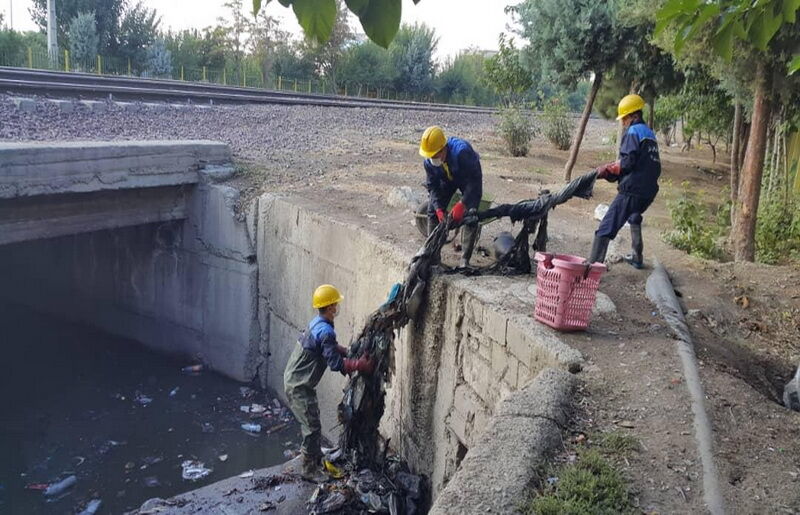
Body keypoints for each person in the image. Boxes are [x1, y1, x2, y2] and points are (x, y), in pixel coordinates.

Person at [283, 284, 374, 481]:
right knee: (312, 427)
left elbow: (330, 349)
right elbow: (335, 364)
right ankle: (308, 469)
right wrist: (360, 365)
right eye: (335, 304)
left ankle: (315, 458)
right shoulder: (325, 331)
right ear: (330, 307)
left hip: (299, 382)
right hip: (299, 386)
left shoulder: (318, 323)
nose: (337, 307)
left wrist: (348, 351)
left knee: (313, 419)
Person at [589, 94, 661, 269]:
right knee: (634, 216)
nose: (623, 122)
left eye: (625, 118)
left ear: (634, 116)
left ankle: (590, 270)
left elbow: (627, 162)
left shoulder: (633, 132)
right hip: (649, 191)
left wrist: (608, 170)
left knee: (606, 228)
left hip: (633, 190)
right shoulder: (649, 133)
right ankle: (637, 257)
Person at [419, 126, 483, 267]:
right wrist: (439, 209)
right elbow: (433, 187)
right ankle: (433, 257)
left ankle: (465, 260)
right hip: (446, 178)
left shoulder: (462, 153)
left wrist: (463, 203)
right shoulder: (429, 163)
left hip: (467, 178)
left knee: (471, 214)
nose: (432, 159)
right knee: (432, 211)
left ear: (443, 149)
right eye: (430, 156)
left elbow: (475, 181)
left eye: (435, 155)